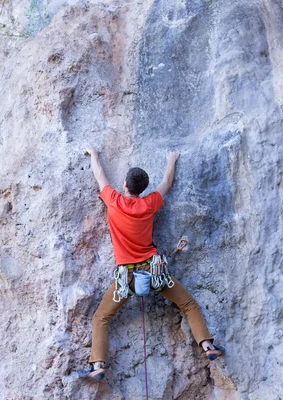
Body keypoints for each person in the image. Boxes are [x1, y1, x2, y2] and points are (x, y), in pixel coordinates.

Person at [78, 146, 223, 381]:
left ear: (125, 184)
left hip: (127, 277)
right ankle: (208, 345)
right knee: (188, 304)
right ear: (143, 189)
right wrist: (171, 160)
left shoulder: (113, 201)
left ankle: (98, 365)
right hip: (154, 271)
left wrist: (94, 155)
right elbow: (167, 182)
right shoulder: (150, 203)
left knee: (101, 318)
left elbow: (100, 176)